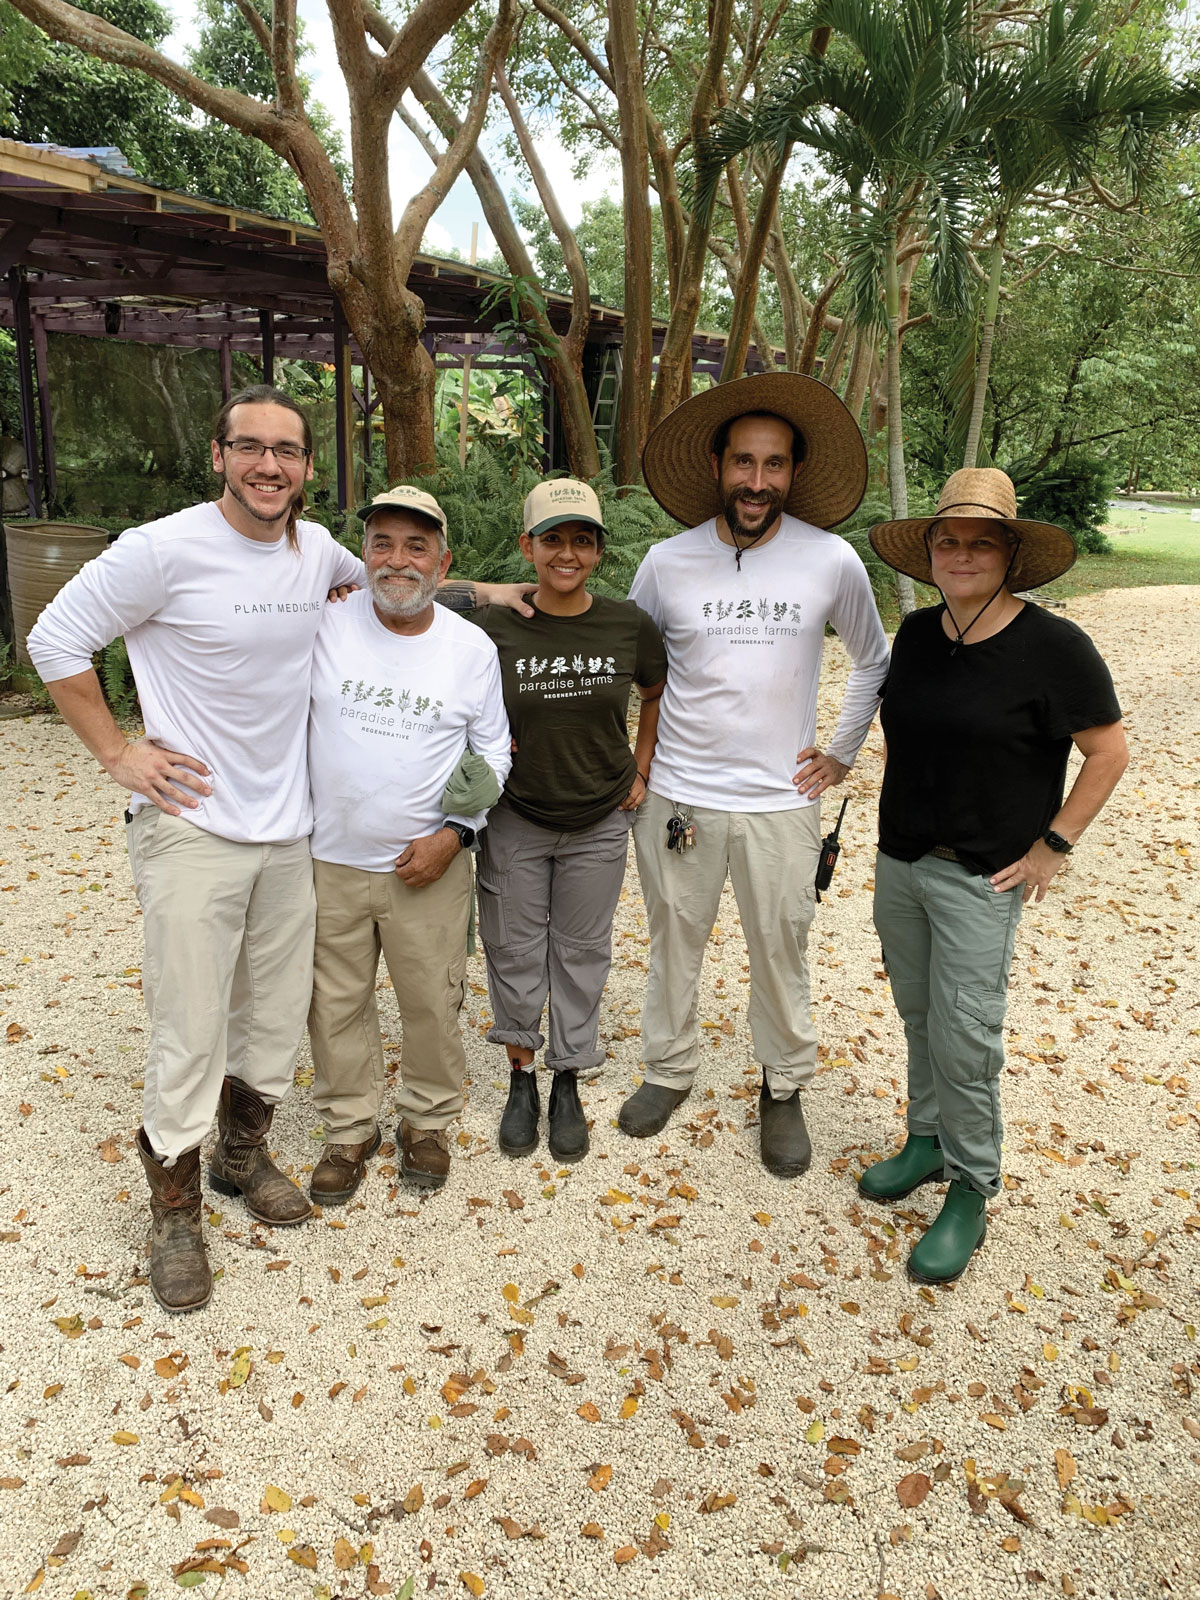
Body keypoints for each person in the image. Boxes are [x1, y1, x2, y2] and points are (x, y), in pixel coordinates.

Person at [24, 389, 534, 1313]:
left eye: (288, 451)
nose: (270, 465)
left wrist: (494, 594)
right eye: (250, 448)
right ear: (218, 455)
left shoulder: (315, 556)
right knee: (190, 1021)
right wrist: (117, 752)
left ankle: (241, 1156)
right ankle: (174, 1208)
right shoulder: (161, 549)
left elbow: (402, 582)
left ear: (307, 469)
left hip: (290, 833)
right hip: (193, 828)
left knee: (272, 1019)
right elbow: (54, 636)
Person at [862, 468, 1128, 1283]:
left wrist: (1055, 842)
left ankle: (973, 1186)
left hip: (982, 878)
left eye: (983, 541)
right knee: (918, 1013)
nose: (963, 553)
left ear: (1011, 553)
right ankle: (927, 1140)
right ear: (930, 551)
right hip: (901, 861)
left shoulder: (1054, 647)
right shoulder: (917, 635)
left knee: (966, 1032)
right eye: (950, 539)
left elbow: (1109, 751)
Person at [621, 372, 890, 1177]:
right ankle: (668, 1068)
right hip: (679, 796)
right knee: (672, 941)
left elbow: (874, 657)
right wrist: (636, 765)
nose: (758, 481)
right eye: (745, 462)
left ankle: (782, 1084)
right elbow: (635, 663)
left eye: (775, 466)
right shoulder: (667, 564)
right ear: (717, 465)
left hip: (781, 799)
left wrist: (840, 750)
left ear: (793, 474)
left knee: (782, 945)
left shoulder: (830, 559)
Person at [306, 487, 511, 1196]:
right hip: (328, 859)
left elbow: (494, 755)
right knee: (335, 1002)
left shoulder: (471, 650)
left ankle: (426, 1122)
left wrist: (455, 835)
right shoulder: (325, 625)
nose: (398, 560)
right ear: (362, 555)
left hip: (428, 865)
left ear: (443, 562)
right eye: (383, 543)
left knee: (432, 1000)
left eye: (415, 546)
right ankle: (348, 1129)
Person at [467, 479, 667, 1163]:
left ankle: (569, 1074)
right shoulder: (494, 623)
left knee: (582, 951)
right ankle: (521, 1073)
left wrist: (641, 768)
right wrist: (489, 590)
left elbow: (653, 690)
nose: (567, 552)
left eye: (583, 539)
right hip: (515, 812)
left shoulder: (624, 623)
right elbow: (406, 589)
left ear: (598, 551)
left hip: (600, 815)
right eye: (552, 538)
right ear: (528, 546)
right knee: (514, 948)